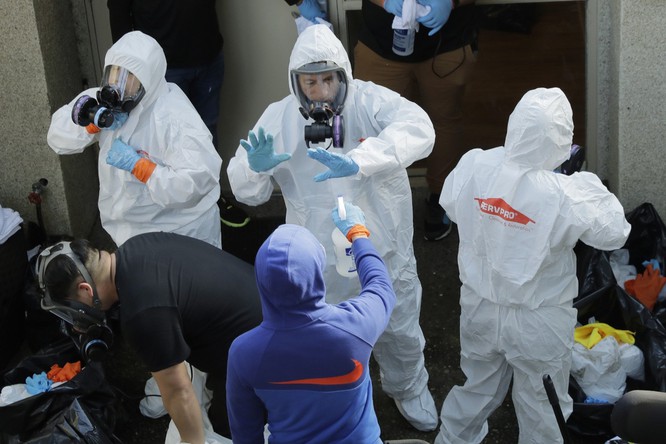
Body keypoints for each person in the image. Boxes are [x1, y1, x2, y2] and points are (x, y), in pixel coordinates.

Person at [227, 24, 439, 432]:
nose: (321, 92)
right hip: (319, 261)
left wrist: (361, 159)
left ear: (343, 76)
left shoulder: (370, 101)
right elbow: (246, 190)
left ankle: (408, 388)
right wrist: (256, 169)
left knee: (398, 327)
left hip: (382, 248)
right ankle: (336, 397)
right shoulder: (280, 117)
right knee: (327, 337)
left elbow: (420, 129)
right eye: (310, 82)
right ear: (296, 83)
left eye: (329, 79)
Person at [435, 87, 631, 443]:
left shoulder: (476, 164)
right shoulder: (565, 193)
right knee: (543, 410)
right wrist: (580, 183)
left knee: (476, 389)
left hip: (480, 308)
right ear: (562, 139)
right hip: (537, 321)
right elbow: (615, 232)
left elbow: (451, 204)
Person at [35, 231, 263, 442]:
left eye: (72, 309)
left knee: (230, 431)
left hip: (265, 359)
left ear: (86, 290)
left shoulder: (141, 315)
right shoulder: (137, 246)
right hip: (266, 315)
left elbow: (178, 391)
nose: (76, 322)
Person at [226, 202, 395, 443]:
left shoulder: (244, 353)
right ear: (317, 272)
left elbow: (245, 434)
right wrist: (357, 234)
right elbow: (381, 286)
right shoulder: (356, 327)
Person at [47, 31, 223, 249]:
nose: (117, 84)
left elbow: (198, 180)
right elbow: (57, 138)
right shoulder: (101, 101)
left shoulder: (172, 116)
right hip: (127, 231)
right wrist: (91, 125)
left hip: (180, 232)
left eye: (129, 76)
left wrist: (142, 168)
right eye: (113, 73)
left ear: (149, 79)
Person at [107, 0, 250, 229]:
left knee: (207, 131)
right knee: (164, 139)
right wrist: (128, 73)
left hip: (207, 54)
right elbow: (119, 12)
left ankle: (211, 199)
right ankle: (170, 212)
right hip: (163, 68)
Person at [351, 0, 480, 241]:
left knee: (443, 123)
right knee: (373, 126)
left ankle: (441, 197)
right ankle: (376, 202)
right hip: (380, 45)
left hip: (446, 44)